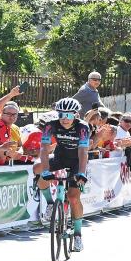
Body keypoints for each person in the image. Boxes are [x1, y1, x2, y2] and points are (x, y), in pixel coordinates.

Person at [33, 98, 90, 252]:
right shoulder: (50, 125)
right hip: (60, 157)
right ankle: (51, 203)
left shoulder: (83, 127)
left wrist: (81, 173)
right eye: (61, 114)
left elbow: (83, 151)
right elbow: (44, 149)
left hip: (77, 161)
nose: (65, 118)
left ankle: (77, 234)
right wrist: (45, 170)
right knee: (37, 168)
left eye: (69, 115)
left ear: (76, 115)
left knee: (73, 197)